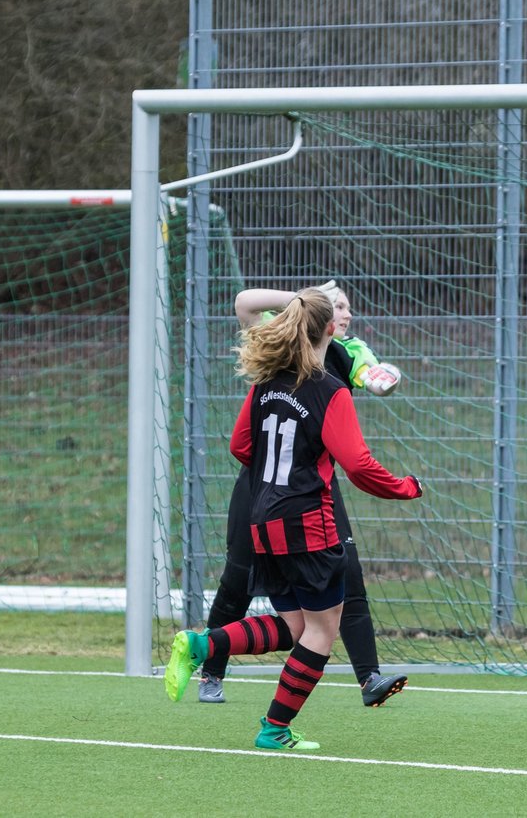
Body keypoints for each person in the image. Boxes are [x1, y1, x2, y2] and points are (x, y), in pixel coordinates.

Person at [163, 287, 422, 751]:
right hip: (307, 519)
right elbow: (358, 465)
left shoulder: (266, 382)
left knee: (294, 627)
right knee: (322, 630)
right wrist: (405, 487)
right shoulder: (330, 389)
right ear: (330, 330)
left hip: (262, 516)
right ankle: (273, 729)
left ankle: (202, 646)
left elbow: (240, 446)